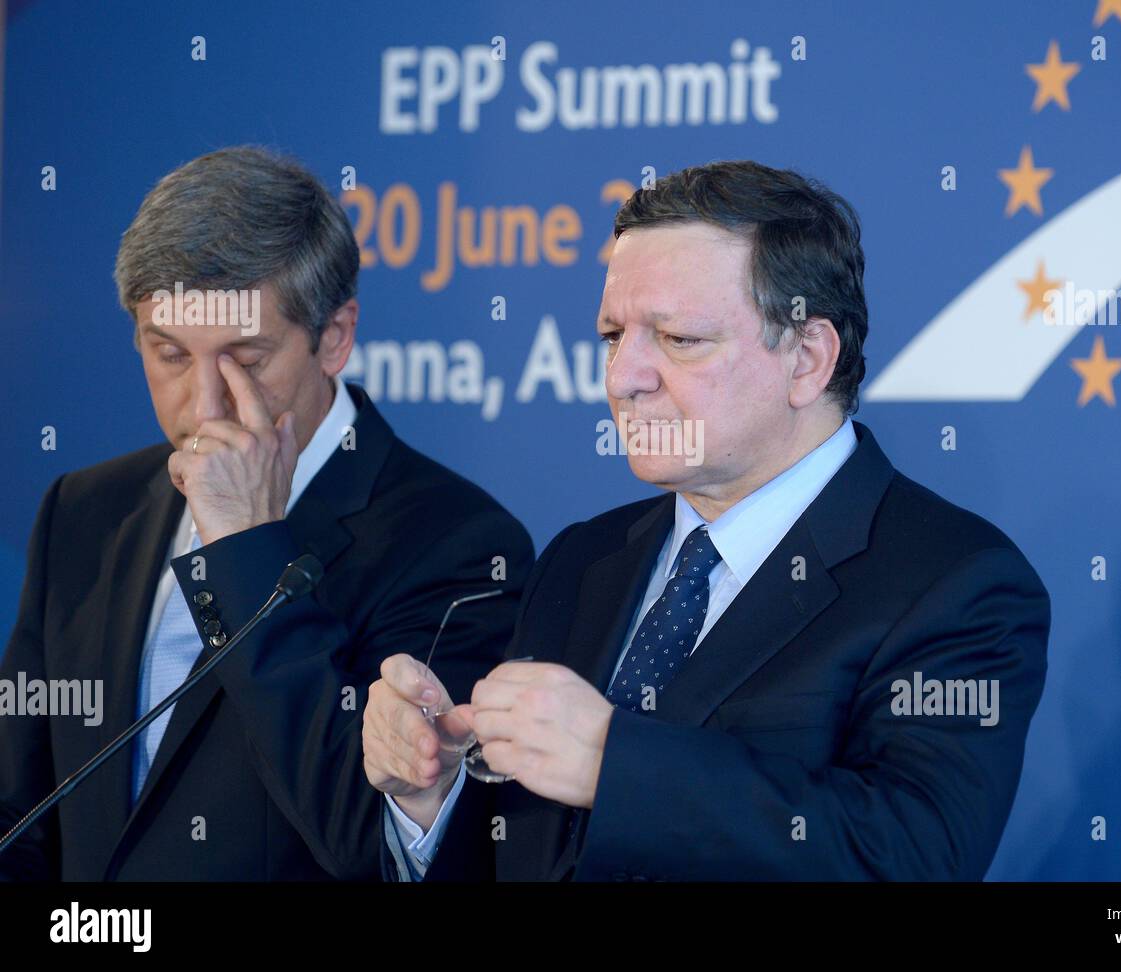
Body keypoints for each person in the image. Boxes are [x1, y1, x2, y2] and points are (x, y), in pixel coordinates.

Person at [364, 160, 1051, 881]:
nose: (624, 377)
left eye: (679, 339)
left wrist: (613, 761)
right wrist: (430, 798)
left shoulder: (955, 581)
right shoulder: (581, 558)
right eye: (612, 336)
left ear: (808, 359)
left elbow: (910, 858)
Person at [0, 146, 533, 880]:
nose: (205, 404)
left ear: (335, 338)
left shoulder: (461, 546)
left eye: (246, 359)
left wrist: (246, 546)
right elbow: (19, 809)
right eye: (170, 354)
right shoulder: (84, 511)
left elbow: (371, 841)